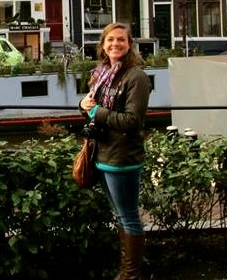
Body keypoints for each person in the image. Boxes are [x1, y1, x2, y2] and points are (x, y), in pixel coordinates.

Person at [79, 22, 151, 280]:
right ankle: (127, 270)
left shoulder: (136, 77)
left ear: (129, 45)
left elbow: (132, 121)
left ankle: (131, 274)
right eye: (110, 40)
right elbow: (91, 109)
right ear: (103, 44)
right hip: (103, 154)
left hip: (123, 158)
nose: (115, 44)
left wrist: (96, 112)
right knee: (120, 215)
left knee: (128, 216)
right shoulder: (102, 73)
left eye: (121, 39)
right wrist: (83, 105)